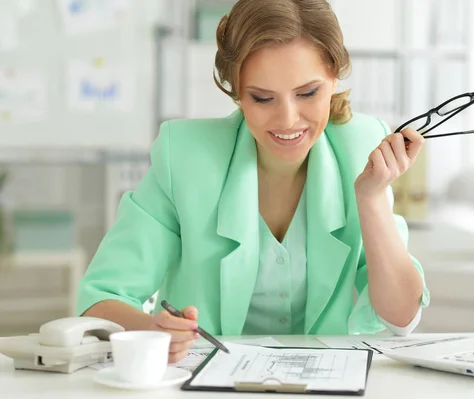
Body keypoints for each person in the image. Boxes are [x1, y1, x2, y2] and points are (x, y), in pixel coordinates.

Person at [76, 0, 430, 364]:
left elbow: (401, 318)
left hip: (326, 379)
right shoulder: (185, 158)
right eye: (262, 98)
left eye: (308, 93)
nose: (288, 119)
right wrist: (153, 331)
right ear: (237, 92)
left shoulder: (360, 147)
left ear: (334, 77)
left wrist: (370, 198)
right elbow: (100, 299)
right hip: (202, 379)